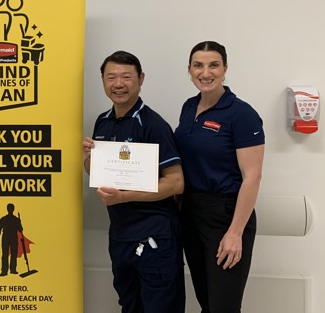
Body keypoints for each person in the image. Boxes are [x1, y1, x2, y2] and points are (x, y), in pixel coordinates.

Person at [82, 50, 185, 313]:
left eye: (126, 77)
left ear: (140, 79)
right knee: (129, 306)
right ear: (103, 81)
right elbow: (97, 173)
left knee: (160, 308)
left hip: (155, 235)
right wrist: (90, 158)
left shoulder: (152, 124)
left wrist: (124, 197)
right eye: (111, 77)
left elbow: (175, 183)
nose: (118, 84)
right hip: (120, 234)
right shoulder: (103, 122)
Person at [173, 41, 265, 313]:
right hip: (191, 211)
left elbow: (253, 176)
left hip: (226, 215)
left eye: (213, 65)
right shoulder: (189, 107)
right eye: (198, 65)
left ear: (225, 69)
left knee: (223, 306)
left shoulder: (242, 114)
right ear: (189, 70)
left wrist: (235, 233)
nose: (206, 72)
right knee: (206, 301)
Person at [0, 203, 23, 276]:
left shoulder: (10, 219)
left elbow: (20, 230)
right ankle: (6, 270)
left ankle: (10, 270)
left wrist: (19, 222)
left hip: (10, 237)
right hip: (8, 237)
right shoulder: (12, 219)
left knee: (11, 254)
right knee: (6, 254)